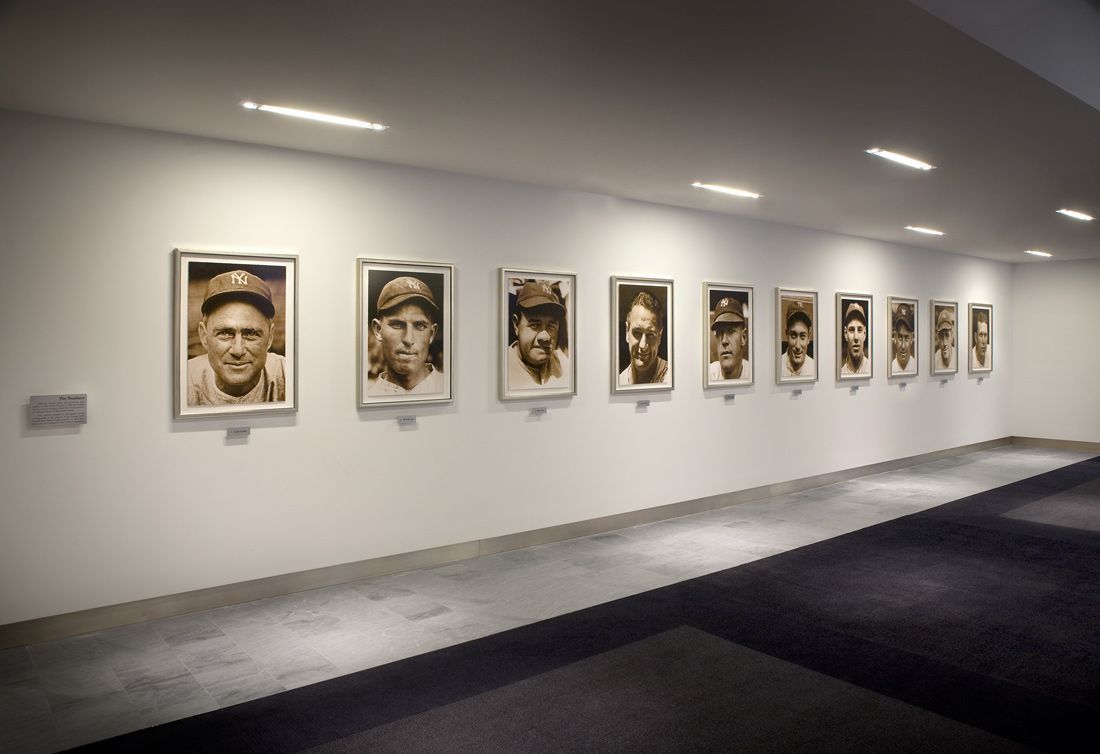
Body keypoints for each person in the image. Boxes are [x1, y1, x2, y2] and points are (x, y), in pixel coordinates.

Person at [187, 269, 287, 405]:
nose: (238, 351)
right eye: (225, 333)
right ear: (204, 336)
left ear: (270, 337)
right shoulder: (183, 381)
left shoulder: (289, 374)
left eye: (251, 334)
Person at [369, 276, 444, 395]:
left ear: (431, 333)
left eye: (420, 326)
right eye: (397, 325)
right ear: (378, 329)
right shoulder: (368, 399)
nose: (408, 339)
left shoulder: (453, 390)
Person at [507, 280, 570, 389]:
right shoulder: (502, 369)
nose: (544, 337)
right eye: (534, 325)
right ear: (516, 325)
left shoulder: (564, 364)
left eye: (551, 327)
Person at [619, 290, 670, 385]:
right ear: (627, 332)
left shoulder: (674, 378)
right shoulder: (619, 383)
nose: (643, 345)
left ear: (660, 336)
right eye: (637, 333)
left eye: (650, 335)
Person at [708, 296, 750, 381]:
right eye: (719, 332)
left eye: (731, 331)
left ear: (743, 337)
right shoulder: (707, 375)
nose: (724, 341)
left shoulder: (755, 374)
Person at [781, 300, 815, 378]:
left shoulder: (815, 368)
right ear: (787, 334)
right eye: (793, 335)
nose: (798, 346)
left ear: (808, 337)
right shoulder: (776, 365)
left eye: (802, 336)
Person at [839, 301, 870, 376]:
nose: (856, 337)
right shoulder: (841, 373)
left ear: (864, 334)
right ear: (845, 334)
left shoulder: (872, 370)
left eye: (859, 330)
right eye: (851, 330)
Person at [889, 302, 916, 375]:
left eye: (906, 338)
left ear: (912, 338)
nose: (903, 346)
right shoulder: (889, 369)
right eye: (900, 338)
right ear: (895, 337)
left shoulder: (917, 367)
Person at [934, 307, 956, 371]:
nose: (944, 343)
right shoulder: (935, 360)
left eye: (947, 335)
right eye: (941, 336)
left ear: (951, 335)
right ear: (938, 337)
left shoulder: (958, 358)